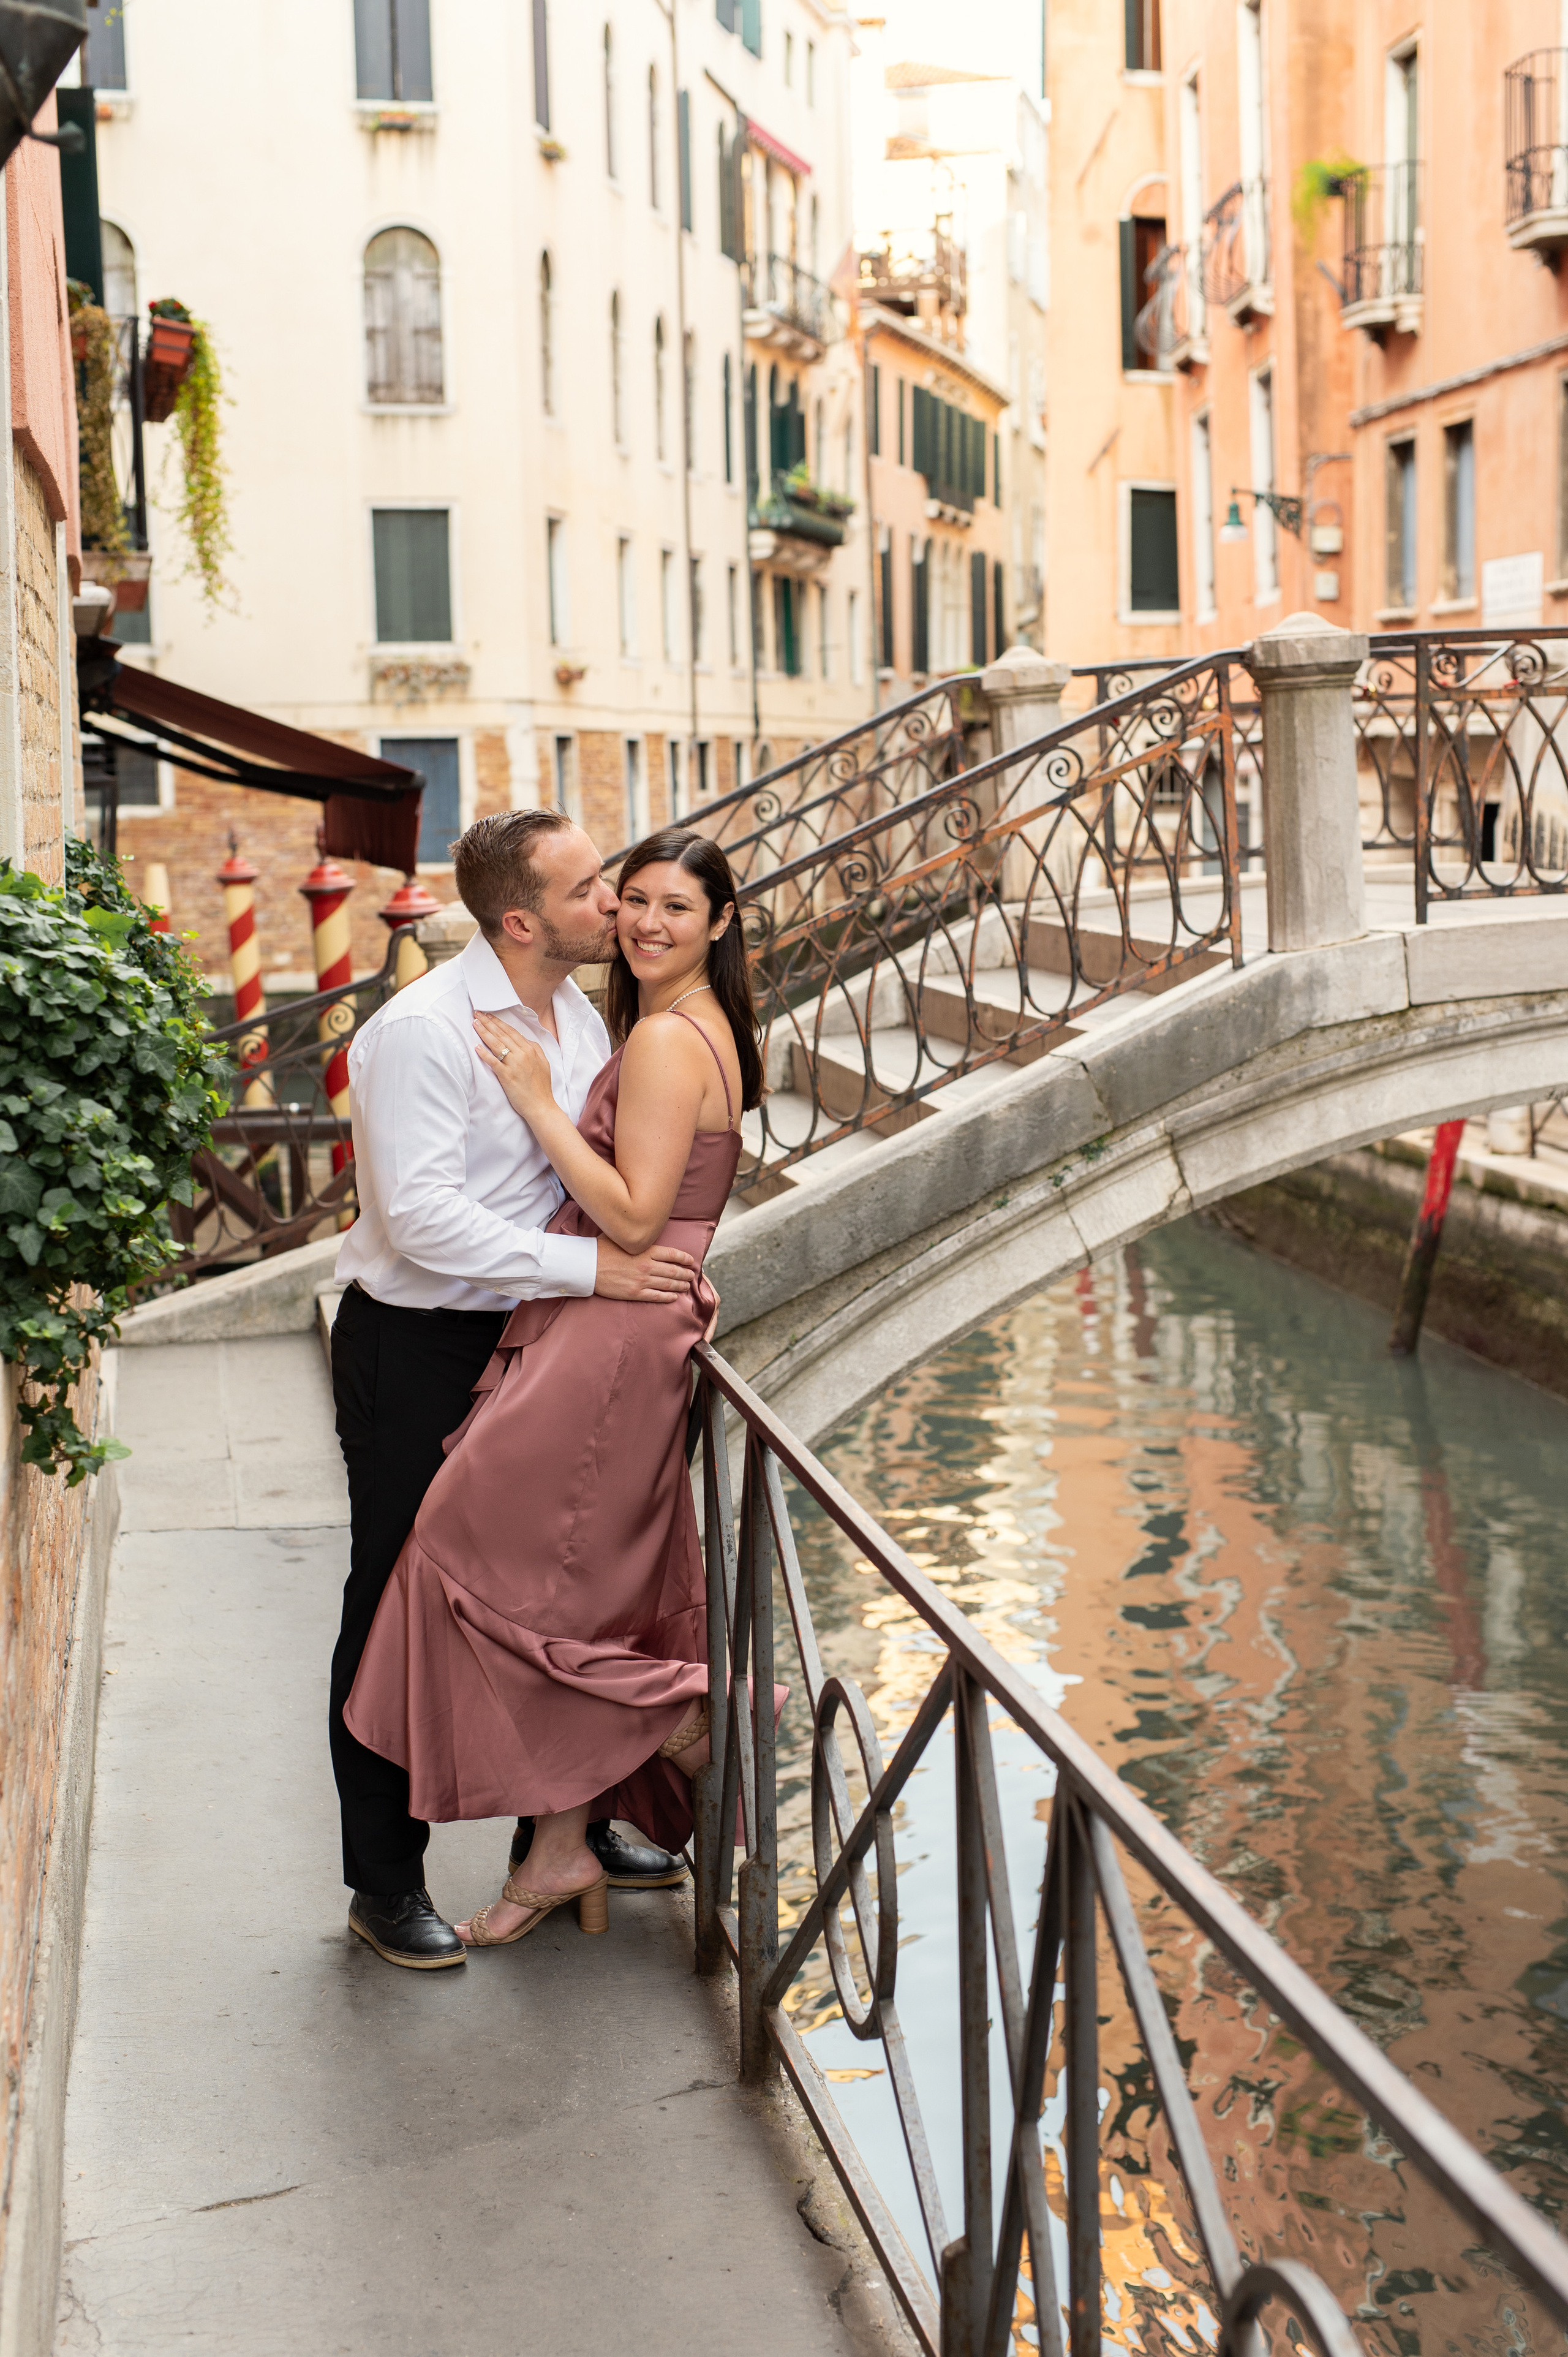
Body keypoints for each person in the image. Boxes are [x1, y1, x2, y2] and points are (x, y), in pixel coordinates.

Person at [344, 828, 763, 1947]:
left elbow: (633, 1187)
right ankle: (387, 1879)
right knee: (404, 1585)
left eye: (644, 897)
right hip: (424, 1337)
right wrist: (599, 1269)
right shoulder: (422, 1032)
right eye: (600, 893)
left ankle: (568, 1821)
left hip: (560, 1328)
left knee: (565, 1577)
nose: (622, 914)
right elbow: (421, 1222)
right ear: (524, 920)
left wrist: (607, 1271)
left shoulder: (589, 1021)